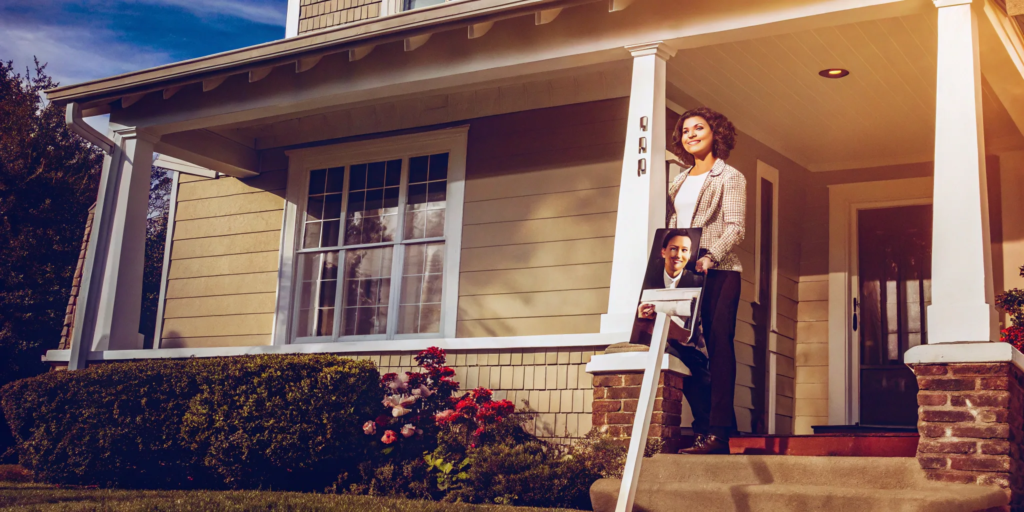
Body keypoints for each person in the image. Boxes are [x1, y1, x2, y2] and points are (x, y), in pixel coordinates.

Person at [668, 106, 746, 455]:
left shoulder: (730, 176)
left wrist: (710, 255)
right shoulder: (678, 180)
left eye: (699, 128)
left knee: (718, 347)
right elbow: (676, 225)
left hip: (720, 271)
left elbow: (736, 227)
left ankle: (717, 434)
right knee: (677, 342)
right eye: (686, 131)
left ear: (715, 133)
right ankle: (709, 421)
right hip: (682, 272)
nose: (692, 134)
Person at [632, 229, 710, 444]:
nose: (678, 254)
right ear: (663, 251)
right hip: (654, 339)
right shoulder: (651, 277)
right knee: (694, 367)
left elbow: (693, 327)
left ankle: (704, 430)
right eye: (673, 248)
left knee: (700, 372)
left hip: (683, 341)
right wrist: (641, 317)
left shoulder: (695, 280)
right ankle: (703, 429)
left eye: (684, 250)